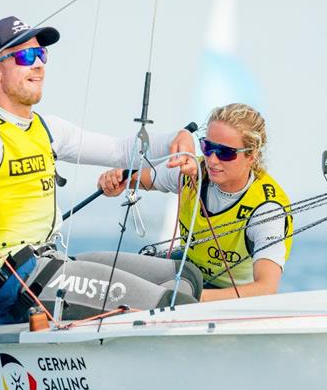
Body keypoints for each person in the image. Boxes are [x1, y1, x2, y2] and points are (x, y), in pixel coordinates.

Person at [0, 16, 201, 323]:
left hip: (49, 265)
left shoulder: (48, 128)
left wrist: (178, 137)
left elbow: (121, 150)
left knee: (186, 276)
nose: (39, 65)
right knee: (172, 302)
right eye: (25, 56)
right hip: (12, 283)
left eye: (41, 55)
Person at [98, 103, 292, 302]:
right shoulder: (192, 171)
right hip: (188, 274)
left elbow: (266, 289)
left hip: (231, 297)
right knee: (121, 275)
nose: (213, 160)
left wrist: (191, 298)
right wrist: (115, 180)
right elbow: (136, 179)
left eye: (225, 153)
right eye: (207, 147)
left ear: (251, 155)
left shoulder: (267, 209)